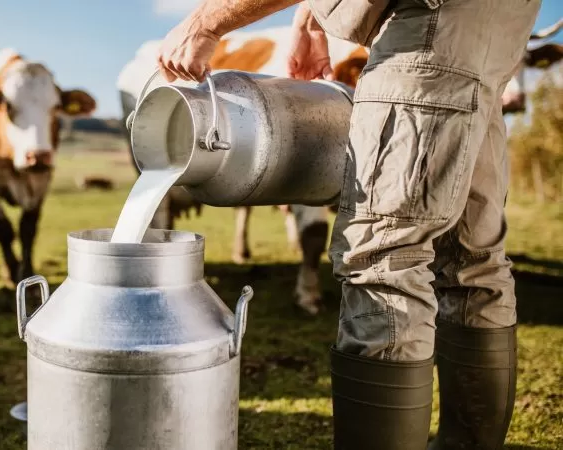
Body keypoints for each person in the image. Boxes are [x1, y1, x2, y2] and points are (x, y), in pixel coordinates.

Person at [156, 0, 541, 448]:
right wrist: (309, 16)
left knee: (383, 257)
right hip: (493, 26)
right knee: (470, 257)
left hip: (426, 23)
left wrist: (204, 22)